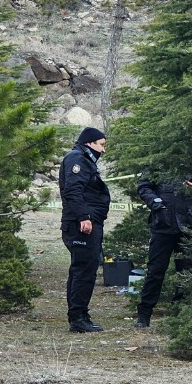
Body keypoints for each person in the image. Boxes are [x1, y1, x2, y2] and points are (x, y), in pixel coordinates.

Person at [60, 127, 110, 333]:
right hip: (81, 224)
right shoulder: (78, 159)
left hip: (87, 221)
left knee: (83, 268)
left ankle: (78, 314)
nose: (103, 150)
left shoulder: (85, 160)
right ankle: (78, 317)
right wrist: (84, 217)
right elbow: (73, 191)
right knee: (84, 271)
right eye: (101, 145)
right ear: (89, 143)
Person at [133, 176, 192, 329]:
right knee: (155, 271)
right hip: (163, 224)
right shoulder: (158, 163)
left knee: (187, 271)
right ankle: (144, 315)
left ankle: (181, 312)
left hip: (190, 224)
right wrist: (157, 204)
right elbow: (143, 187)